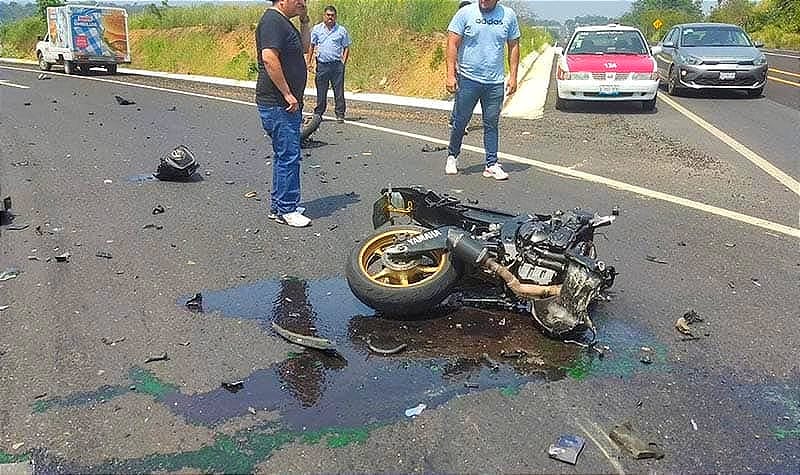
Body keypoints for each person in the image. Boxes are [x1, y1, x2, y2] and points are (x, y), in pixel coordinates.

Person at [444, 0, 520, 181]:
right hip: (468, 79)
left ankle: (491, 164)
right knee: (461, 121)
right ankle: (452, 156)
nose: (484, 1)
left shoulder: (508, 15)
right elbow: (452, 43)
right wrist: (450, 74)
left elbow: (514, 46)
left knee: (491, 123)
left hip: (494, 82)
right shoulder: (465, 13)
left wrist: (513, 76)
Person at [255, 0, 312, 227]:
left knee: (284, 155)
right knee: (288, 156)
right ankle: (286, 209)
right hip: (279, 104)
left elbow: (306, 48)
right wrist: (287, 93)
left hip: (285, 104)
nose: (303, 2)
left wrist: (305, 21)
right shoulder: (272, 21)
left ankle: (280, 206)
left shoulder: (285, 23)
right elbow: (269, 58)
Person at [307, 5, 352, 124]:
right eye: (328, 15)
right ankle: (319, 113)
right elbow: (311, 45)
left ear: (335, 17)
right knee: (321, 90)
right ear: (324, 16)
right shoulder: (317, 29)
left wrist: (343, 62)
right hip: (322, 65)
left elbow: (346, 47)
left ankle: (340, 114)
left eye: (332, 15)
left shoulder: (341, 30)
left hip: (337, 65)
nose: (330, 17)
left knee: (339, 91)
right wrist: (309, 61)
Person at [447, 0, 473, 135]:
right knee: (463, 97)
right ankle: (460, 123)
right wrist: (454, 67)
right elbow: (453, 47)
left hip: (468, 69)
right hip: (461, 68)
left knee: (461, 97)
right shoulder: (459, 27)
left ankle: (455, 120)